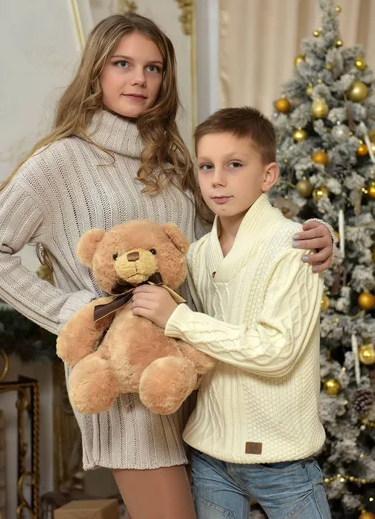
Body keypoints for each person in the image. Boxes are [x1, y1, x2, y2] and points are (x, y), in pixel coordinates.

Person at [0, 15, 333, 519]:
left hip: (201, 383)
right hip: (126, 389)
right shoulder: (59, 162)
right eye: (123, 64)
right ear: (96, 71)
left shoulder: (171, 161)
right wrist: (76, 310)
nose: (139, 79)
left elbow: (223, 244)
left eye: (153, 67)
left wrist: (315, 234)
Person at [132, 106, 332, 519]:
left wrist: (180, 319)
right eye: (206, 166)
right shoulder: (200, 252)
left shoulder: (295, 249)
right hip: (210, 455)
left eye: (234, 165)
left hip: (282, 462)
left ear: (268, 175)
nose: (217, 180)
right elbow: (190, 343)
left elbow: (276, 352)